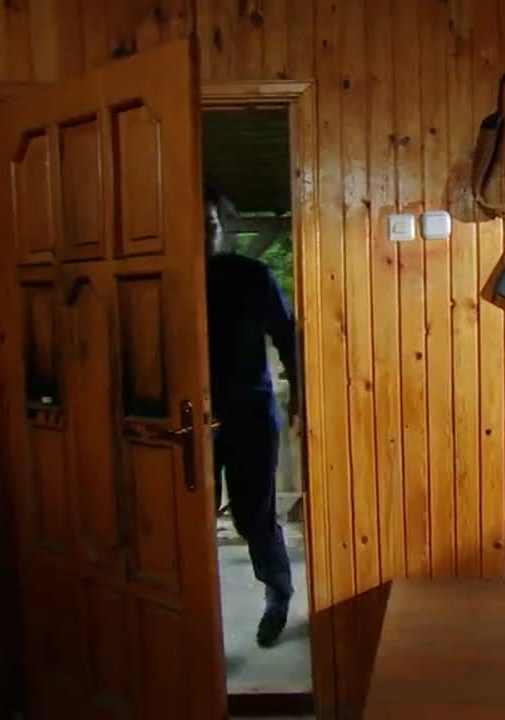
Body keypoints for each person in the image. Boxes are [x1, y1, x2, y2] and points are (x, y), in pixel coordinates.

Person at [203, 182, 299, 647]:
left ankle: (278, 595)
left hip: (250, 414)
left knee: (254, 515)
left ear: (223, 227)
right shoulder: (169, 278)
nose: (203, 234)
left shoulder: (252, 277)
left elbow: (287, 335)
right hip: (191, 419)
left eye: (210, 224)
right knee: (188, 520)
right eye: (192, 225)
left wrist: (298, 395)